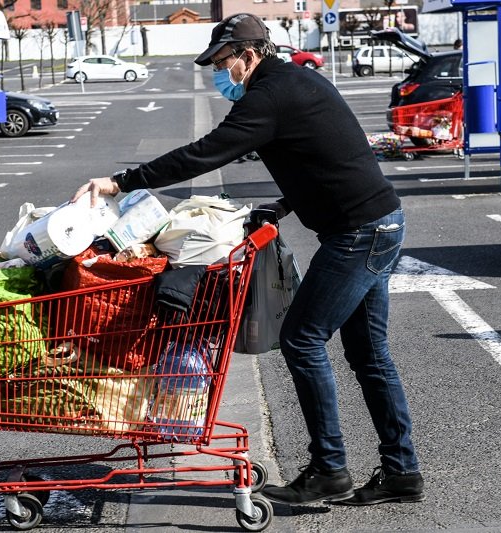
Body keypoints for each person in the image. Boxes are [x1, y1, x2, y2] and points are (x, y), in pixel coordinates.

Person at [70, 13, 424, 507]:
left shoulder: (270, 95)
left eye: (222, 61)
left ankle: (330, 469)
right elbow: (325, 158)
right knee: (368, 354)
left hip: (358, 234)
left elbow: (206, 152)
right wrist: (283, 204)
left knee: (303, 339)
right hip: (377, 222)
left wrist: (122, 181)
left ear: (249, 53)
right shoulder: (296, 82)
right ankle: (401, 472)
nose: (220, 73)